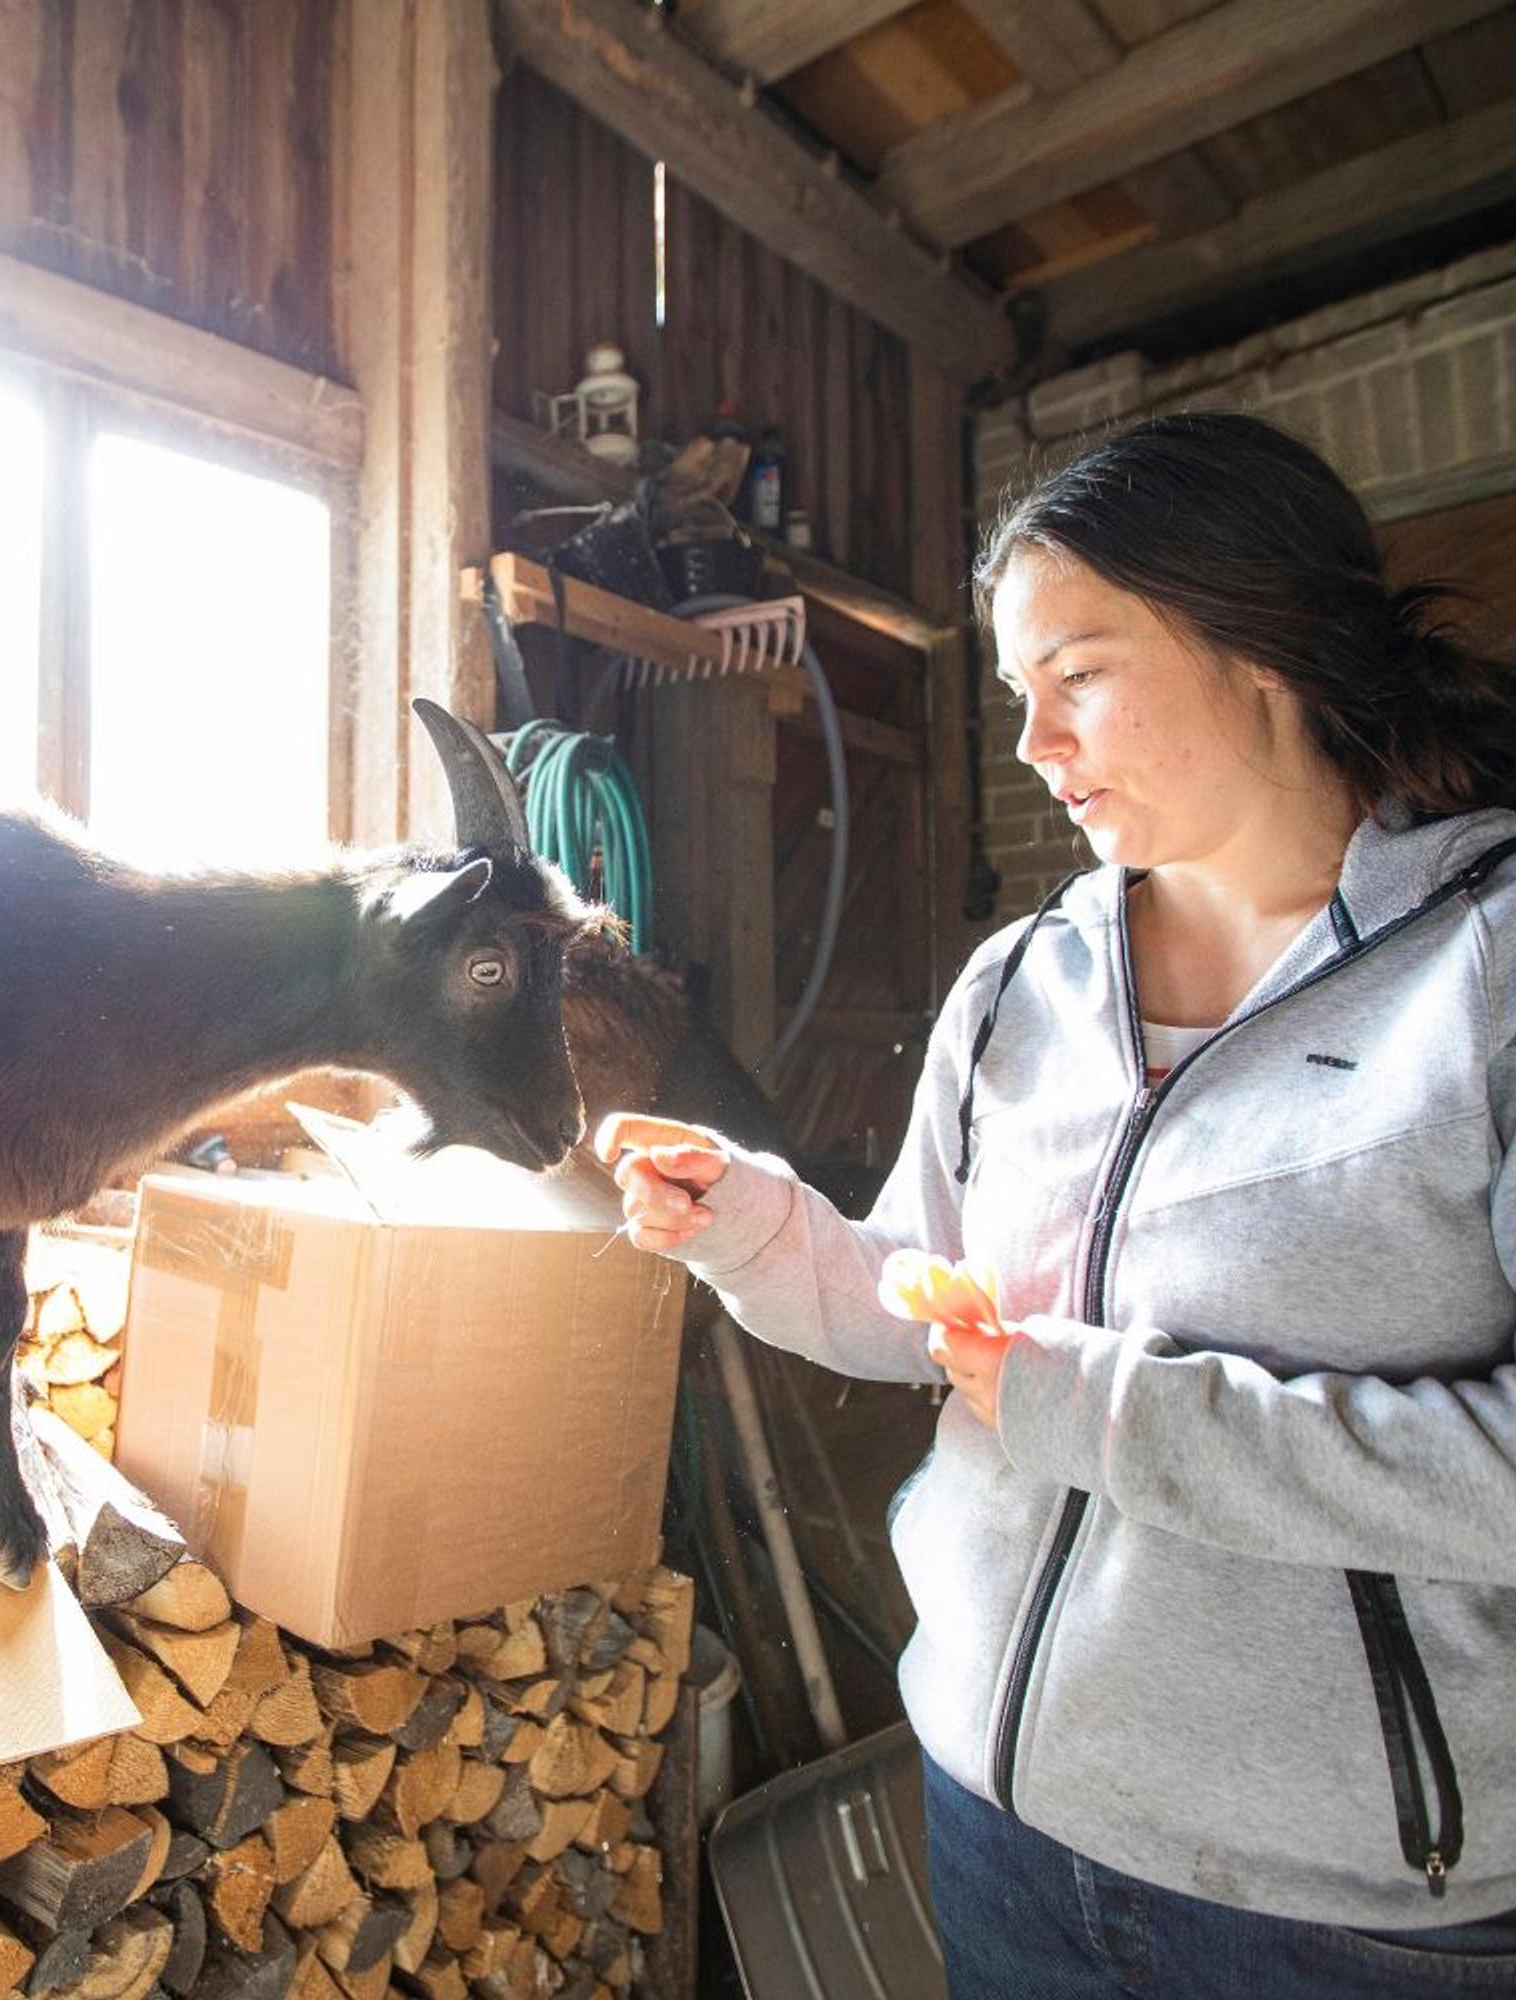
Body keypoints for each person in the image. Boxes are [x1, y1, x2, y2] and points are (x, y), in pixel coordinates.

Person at [598, 411, 1516, 1997]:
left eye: (1080, 674)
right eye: (1022, 693)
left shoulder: (1485, 975)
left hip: (1340, 1908)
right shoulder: (1020, 981)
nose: (1034, 742)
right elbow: (926, 1308)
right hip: (997, 1815)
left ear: (1264, 648)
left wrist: (1099, 1416)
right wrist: (758, 1225)